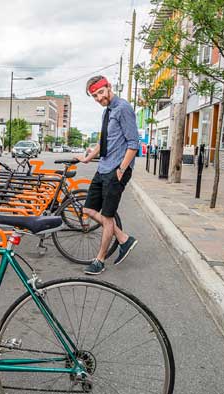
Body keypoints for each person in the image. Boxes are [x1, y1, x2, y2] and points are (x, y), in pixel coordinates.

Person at [76, 75, 139, 275]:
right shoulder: (107, 112)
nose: (98, 98)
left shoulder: (123, 108)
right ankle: (123, 239)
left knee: (108, 216)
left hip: (116, 171)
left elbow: (133, 144)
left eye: (100, 93)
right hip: (103, 168)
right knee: (88, 209)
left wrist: (121, 170)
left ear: (109, 87)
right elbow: (103, 142)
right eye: (94, 96)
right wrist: (88, 158)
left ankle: (100, 260)